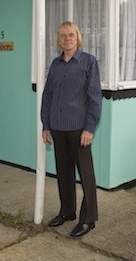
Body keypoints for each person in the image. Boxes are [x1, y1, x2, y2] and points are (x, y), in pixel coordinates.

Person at [41, 21, 102, 238]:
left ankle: (89, 219)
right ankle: (67, 212)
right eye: (63, 36)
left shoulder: (88, 62)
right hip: (58, 128)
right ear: (59, 40)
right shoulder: (55, 65)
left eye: (71, 35)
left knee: (86, 176)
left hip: (79, 130)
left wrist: (89, 128)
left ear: (77, 37)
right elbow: (47, 96)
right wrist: (46, 125)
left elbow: (95, 98)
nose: (68, 38)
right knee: (64, 173)